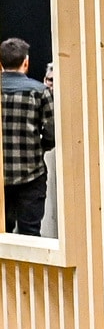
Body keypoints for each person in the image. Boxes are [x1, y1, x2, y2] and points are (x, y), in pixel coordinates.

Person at [1, 38, 55, 236]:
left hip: (1, 178)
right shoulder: (39, 92)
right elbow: (51, 132)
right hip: (31, 174)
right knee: (30, 235)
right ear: (26, 62)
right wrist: (40, 147)